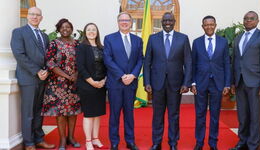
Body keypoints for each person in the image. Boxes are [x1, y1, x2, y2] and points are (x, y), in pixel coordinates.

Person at [143, 12, 192, 150]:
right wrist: (147, 82)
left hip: (176, 84)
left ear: (174, 21)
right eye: (165, 20)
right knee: (157, 115)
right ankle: (157, 142)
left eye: (170, 20)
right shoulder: (153, 39)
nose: (167, 22)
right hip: (156, 83)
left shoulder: (183, 39)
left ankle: (173, 143)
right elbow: (147, 62)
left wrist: (186, 83)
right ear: (161, 22)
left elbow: (188, 62)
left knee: (174, 115)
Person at [10, 7, 55, 150]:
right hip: (28, 78)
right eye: (32, 14)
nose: (35, 17)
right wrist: (37, 71)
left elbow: (48, 57)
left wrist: (46, 70)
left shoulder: (44, 36)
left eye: (37, 15)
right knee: (28, 112)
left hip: (43, 78)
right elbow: (19, 54)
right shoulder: (19, 32)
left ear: (41, 18)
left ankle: (39, 139)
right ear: (27, 16)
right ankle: (29, 143)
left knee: (39, 111)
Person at [230, 11, 260, 150]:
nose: (248, 21)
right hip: (240, 82)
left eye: (251, 19)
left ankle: (253, 145)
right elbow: (235, 61)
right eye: (246, 19)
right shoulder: (238, 38)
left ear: (257, 21)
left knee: (254, 116)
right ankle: (242, 142)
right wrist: (232, 82)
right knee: (242, 115)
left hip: (255, 83)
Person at [103, 12, 143, 150]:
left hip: (131, 83)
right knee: (114, 114)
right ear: (118, 22)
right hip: (115, 83)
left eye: (127, 20)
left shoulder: (137, 40)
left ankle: (130, 141)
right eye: (121, 20)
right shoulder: (109, 39)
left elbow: (140, 59)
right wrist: (121, 75)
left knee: (129, 114)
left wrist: (132, 75)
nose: (124, 22)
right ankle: (114, 142)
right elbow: (108, 59)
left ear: (131, 22)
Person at [191, 16, 230, 150]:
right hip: (200, 83)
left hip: (217, 84)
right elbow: (193, 64)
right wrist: (193, 82)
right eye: (206, 25)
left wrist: (227, 84)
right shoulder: (196, 42)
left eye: (211, 24)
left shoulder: (223, 42)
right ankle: (199, 142)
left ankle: (213, 143)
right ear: (202, 26)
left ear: (215, 25)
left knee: (215, 115)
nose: (209, 27)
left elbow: (226, 63)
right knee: (200, 114)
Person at [41, 18, 81, 150]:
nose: (65, 29)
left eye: (68, 27)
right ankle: (63, 139)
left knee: (72, 111)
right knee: (61, 112)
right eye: (62, 27)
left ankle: (71, 137)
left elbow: (82, 62)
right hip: (57, 84)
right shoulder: (54, 43)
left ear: (72, 29)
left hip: (73, 83)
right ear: (58, 29)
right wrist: (66, 76)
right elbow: (50, 62)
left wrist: (75, 75)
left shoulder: (77, 44)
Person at [76, 23, 107, 150]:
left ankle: (96, 138)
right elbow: (81, 67)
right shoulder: (82, 47)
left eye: (94, 29)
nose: (91, 32)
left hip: (101, 85)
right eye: (89, 30)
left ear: (97, 32)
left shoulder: (102, 47)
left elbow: (106, 65)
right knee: (89, 114)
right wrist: (92, 82)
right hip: (87, 85)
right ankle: (88, 141)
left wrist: (104, 80)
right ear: (85, 32)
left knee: (97, 113)